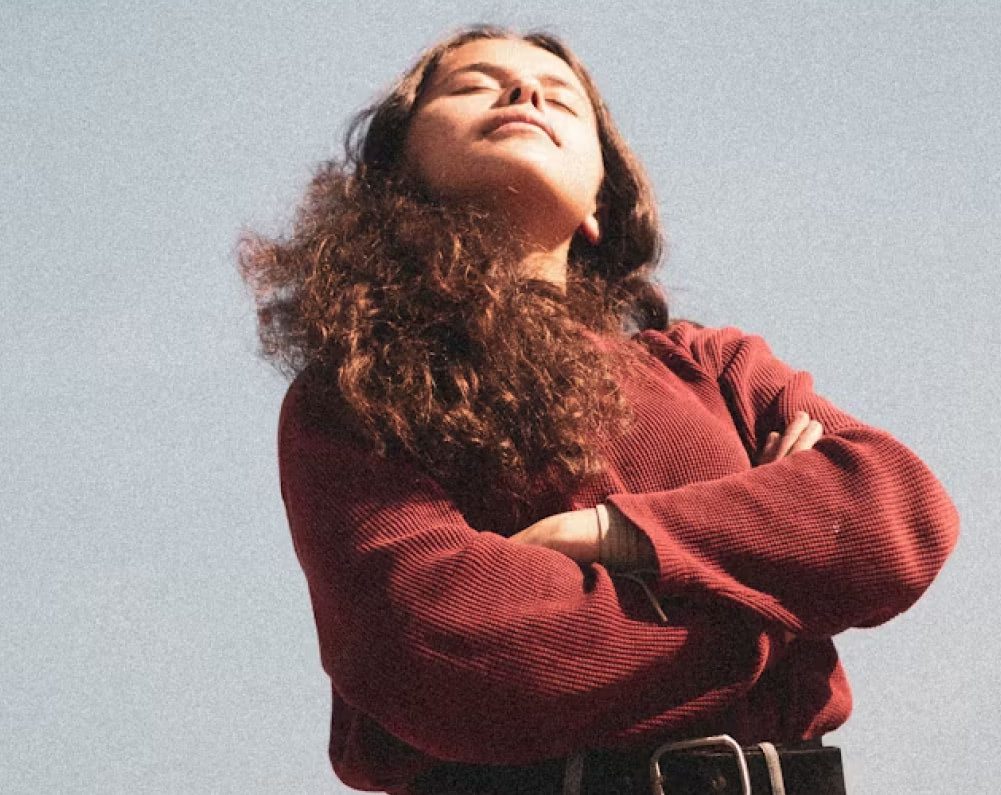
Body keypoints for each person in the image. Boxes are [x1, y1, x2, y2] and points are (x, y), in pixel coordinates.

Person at [239, 24, 960, 795]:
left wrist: (614, 535)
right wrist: (776, 601)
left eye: (561, 98)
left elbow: (897, 509)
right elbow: (439, 643)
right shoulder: (355, 389)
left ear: (597, 207)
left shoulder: (713, 364)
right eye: (474, 84)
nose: (525, 93)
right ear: (399, 175)